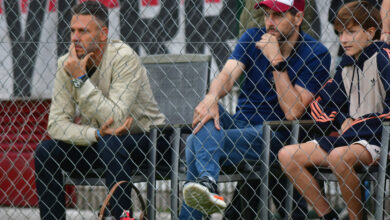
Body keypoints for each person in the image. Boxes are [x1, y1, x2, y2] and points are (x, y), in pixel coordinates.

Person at [178, 0, 331, 219]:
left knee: (195, 142)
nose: (270, 22)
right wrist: (211, 98)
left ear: (298, 18)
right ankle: (208, 182)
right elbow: (227, 76)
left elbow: (292, 111)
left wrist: (275, 58)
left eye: (278, 15)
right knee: (209, 113)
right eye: (267, 14)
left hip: (278, 133)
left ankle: (204, 187)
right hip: (241, 123)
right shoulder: (252, 37)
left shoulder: (316, 53)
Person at [34, 1, 166, 220]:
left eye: (83, 31)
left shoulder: (123, 57)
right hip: (103, 142)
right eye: (72, 31)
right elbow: (56, 125)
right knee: (46, 152)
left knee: (111, 143)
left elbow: (115, 120)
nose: (75, 38)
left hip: (148, 140)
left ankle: (122, 217)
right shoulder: (67, 63)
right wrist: (93, 134)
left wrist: (79, 79)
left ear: (103, 34)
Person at [278, 1, 390, 219]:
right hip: (351, 138)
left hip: (380, 139)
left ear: (371, 32)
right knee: (287, 155)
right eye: (340, 33)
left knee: (339, 156)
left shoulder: (384, 57)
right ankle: (328, 216)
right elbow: (324, 103)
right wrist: (341, 119)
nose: (344, 39)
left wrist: (357, 124)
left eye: (351, 31)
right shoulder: (346, 65)